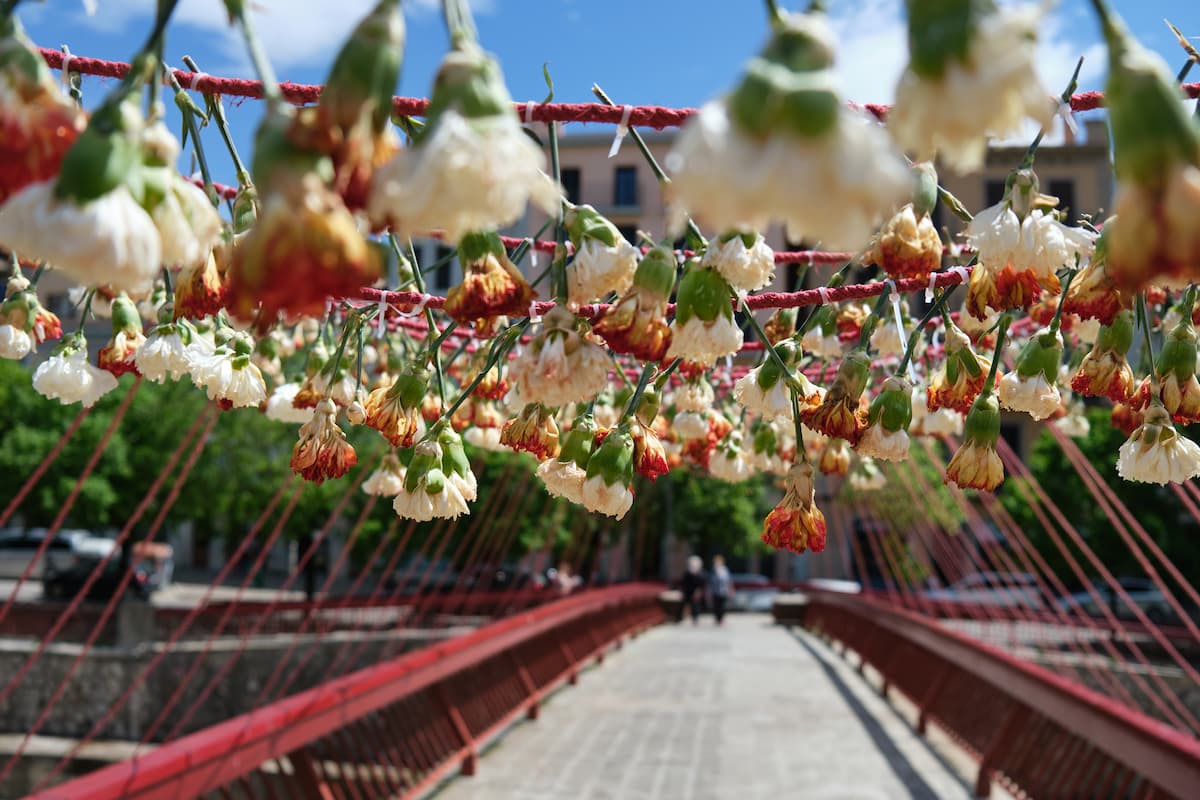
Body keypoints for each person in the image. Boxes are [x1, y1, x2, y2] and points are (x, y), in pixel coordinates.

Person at [680, 555, 706, 624]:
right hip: (688, 591)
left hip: (695, 592)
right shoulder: (687, 573)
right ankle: (682, 617)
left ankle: (695, 618)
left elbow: (702, 584)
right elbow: (684, 583)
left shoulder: (700, 574)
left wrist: (699, 591)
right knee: (685, 604)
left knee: (695, 605)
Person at [710, 555, 734, 625]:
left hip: (723, 591)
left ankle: (721, 619)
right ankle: (717, 619)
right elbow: (711, 581)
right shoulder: (713, 570)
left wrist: (731, 590)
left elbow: (729, 580)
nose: (717, 563)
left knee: (722, 606)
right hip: (715, 591)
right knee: (716, 606)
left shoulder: (725, 570)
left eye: (719, 562)